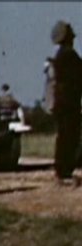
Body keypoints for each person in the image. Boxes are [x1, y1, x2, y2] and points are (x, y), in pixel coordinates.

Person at [49, 21, 82, 186]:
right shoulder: (70, 55)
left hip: (61, 102)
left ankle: (62, 171)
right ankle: (64, 172)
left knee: (64, 136)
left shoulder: (59, 55)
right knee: (69, 136)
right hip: (69, 103)